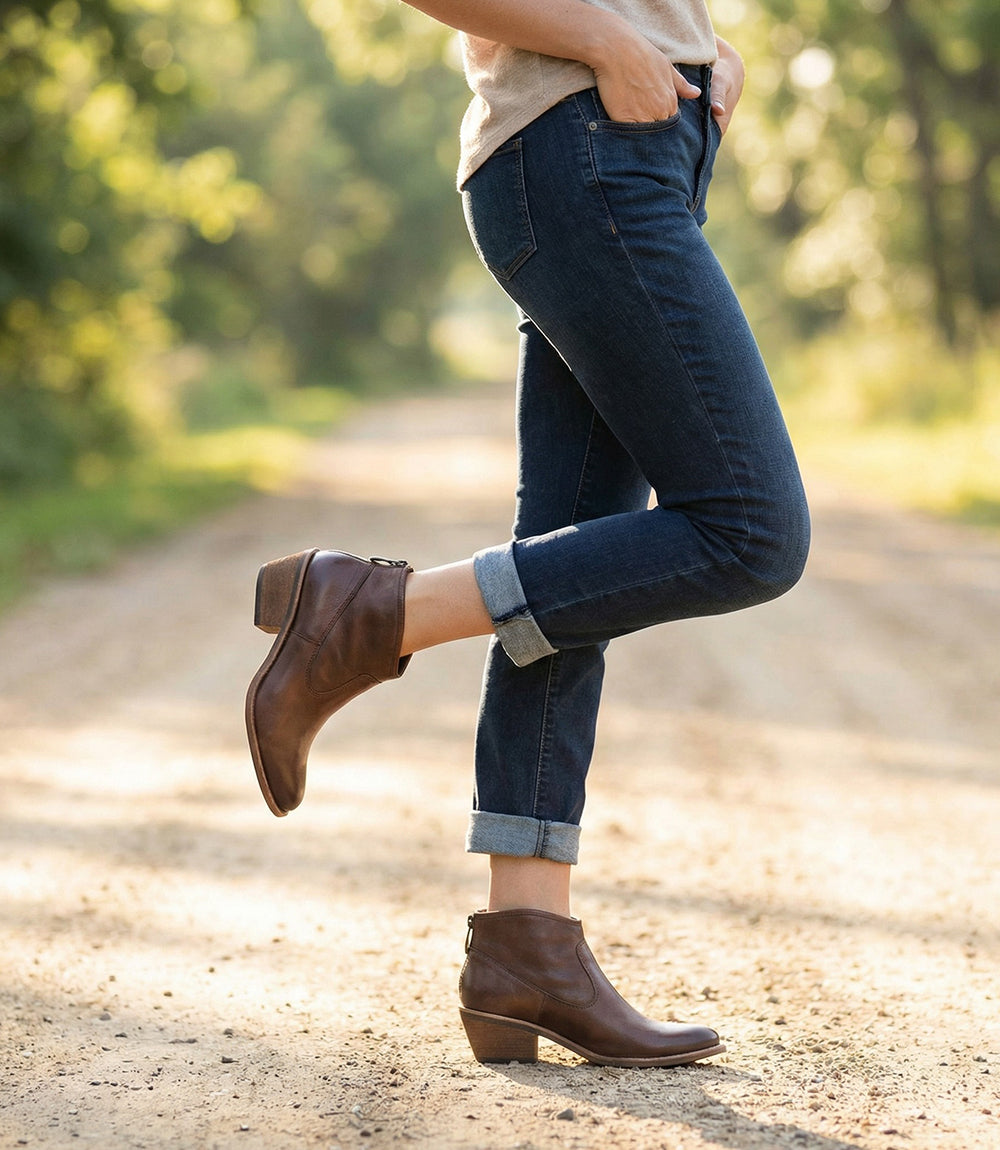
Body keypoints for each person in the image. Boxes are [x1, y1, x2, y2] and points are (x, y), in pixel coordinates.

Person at [245, 0, 810, 1068]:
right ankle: (369, 611)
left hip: (621, 149)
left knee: (573, 556)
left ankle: (525, 948)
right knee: (750, 529)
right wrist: (607, 45)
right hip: (581, 147)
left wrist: (699, 47)